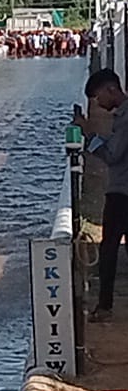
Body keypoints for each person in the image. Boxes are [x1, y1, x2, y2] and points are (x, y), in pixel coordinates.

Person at [76, 70, 128, 322]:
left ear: (111, 90)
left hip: (122, 192)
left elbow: (113, 155)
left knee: (108, 249)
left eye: (98, 97)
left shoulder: (125, 117)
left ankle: (105, 307)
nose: (97, 104)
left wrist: (89, 134)